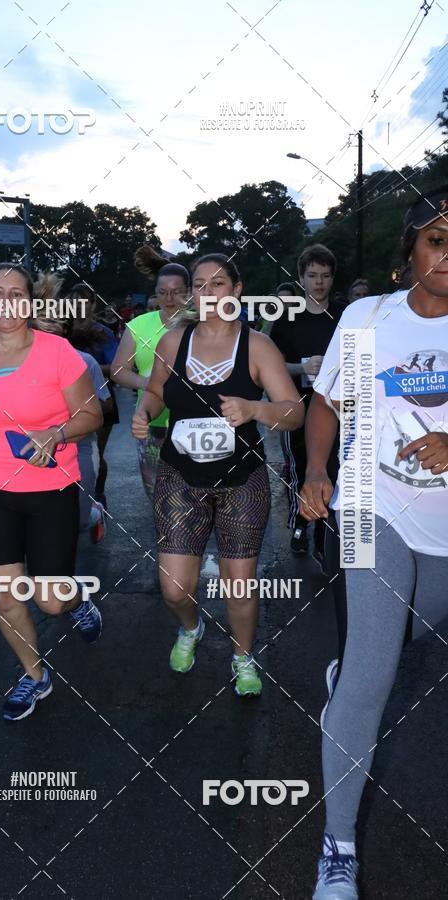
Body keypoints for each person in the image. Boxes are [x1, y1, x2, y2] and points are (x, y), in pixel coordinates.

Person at [301, 187, 448, 899]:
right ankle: (338, 846)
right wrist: (317, 471)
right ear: (410, 253)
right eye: (437, 239)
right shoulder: (369, 318)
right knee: (370, 675)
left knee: (416, 631)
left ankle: (364, 659)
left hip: (443, 524)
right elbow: (329, 401)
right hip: (370, 502)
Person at [132, 254, 304, 696]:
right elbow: (154, 390)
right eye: (201, 284)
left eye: (219, 284)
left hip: (241, 482)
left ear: (237, 290)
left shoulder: (258, 346)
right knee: (173, 589)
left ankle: (243, 656)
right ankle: (190, 628)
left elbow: (295, 412)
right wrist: (144, 411)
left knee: (239, 585)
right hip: (179, 478)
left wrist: (254, 409)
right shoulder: (173, 342)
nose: (209, 293)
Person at [0, 262, 103, 722]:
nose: (6, 301)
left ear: (30, 302)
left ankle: (77, 601)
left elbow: (92, 416)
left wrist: (56, 433)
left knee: (50, 599)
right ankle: (34, 676)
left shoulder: (57, 351)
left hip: (52, 489)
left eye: (16, 292)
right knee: (6, 596)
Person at [269, 244, 344, 562]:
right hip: (297, 406)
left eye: (325, 276)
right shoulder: (286, 318)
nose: (319, 282)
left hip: (341, 407)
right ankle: (301, 522)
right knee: (300, 467)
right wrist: (303, 367)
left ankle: (328, 533)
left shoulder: (345, 314)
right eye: (312, 275)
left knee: (337, 467)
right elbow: (269, 365)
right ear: (301, 278)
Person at [33, 271, 110, 543]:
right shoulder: (20, 362)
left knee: (75, 521)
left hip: (79, 449)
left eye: (56, 322)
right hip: (32, 449)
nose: (50, 327)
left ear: (65, 329)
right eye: (44, 321)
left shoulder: (84, 361)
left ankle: (93, 513)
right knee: (44, 525)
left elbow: (104, 408)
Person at [112, 246, 190, 498]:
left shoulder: (202, 324)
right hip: (151, 423)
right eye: (162, 292)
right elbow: (118, 371)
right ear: (155, 292)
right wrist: (149, 383)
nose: (169, 298)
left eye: (176, 292)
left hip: (194, 421)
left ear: (188, 292)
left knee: (194, 496)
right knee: (159, 496)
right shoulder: (138, 325)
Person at [69, 283, 119, 509]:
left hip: (102, 399)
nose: (78, 306)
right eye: (73, 301)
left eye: (83, 301)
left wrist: (90, 367)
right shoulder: (62, 329)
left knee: (95, 453)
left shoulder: (104, 332)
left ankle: (98, 494)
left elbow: (117, 367)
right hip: (68, 400)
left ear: (93, 304)